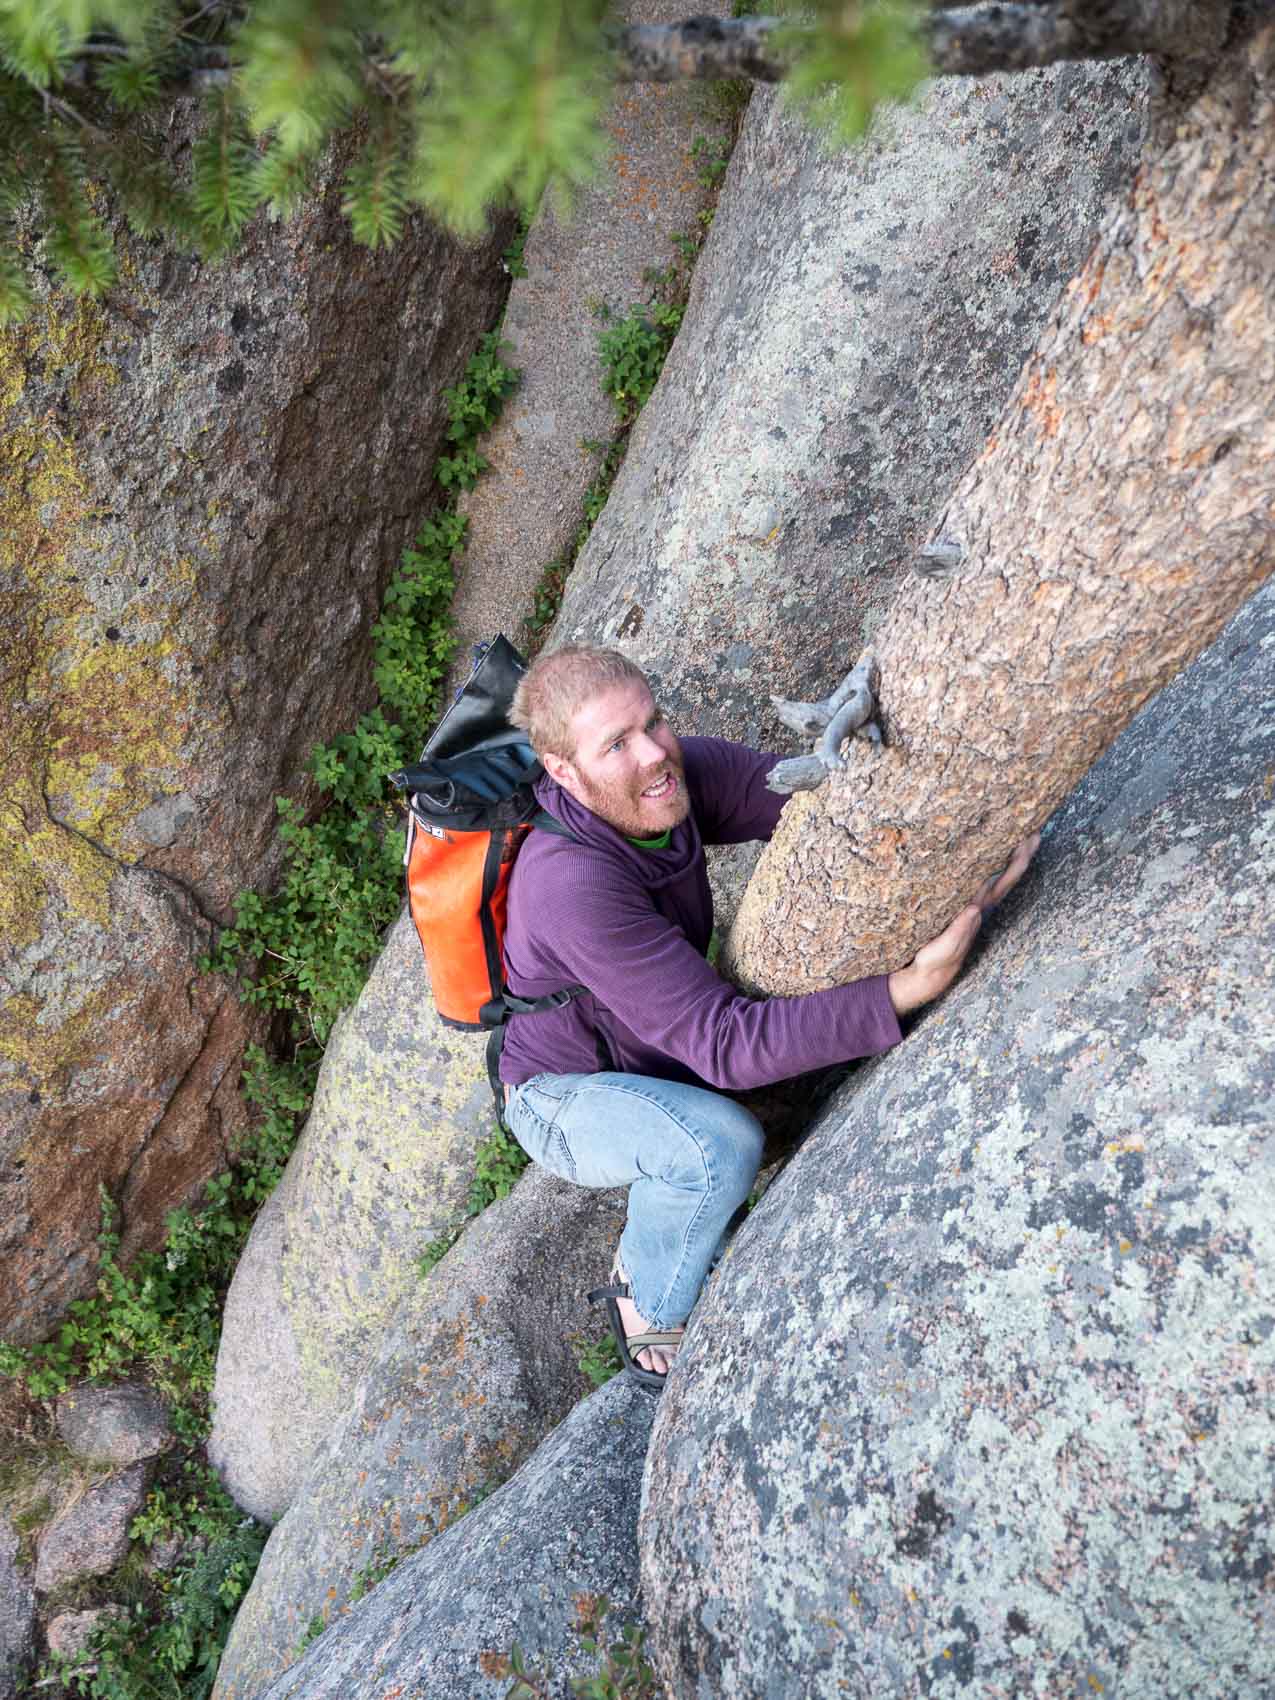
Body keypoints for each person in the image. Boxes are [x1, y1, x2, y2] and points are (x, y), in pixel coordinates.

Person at [500, 644, 1037, 1388]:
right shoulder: (569, 887)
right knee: (712, 1148)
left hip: (653, 1050)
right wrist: (905, 989)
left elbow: (835, 821)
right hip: (562, 1096)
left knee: (723, 1115)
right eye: (615, 745)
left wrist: (968, 847)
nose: (655, 754)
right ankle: (643, 1288)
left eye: (652, 722)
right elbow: (723, 1047)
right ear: (563, 771)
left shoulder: (672, 776)